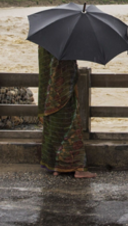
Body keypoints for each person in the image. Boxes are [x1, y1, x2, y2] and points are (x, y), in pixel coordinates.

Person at [38, 46, 95, 178]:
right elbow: (69, 72)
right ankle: (79, 168)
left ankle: (57, 167)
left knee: (55, 131)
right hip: (64, 95)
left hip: (49, 97)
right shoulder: (67, 45)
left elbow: (46, 70)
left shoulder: (45, 44)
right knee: (71, 130)